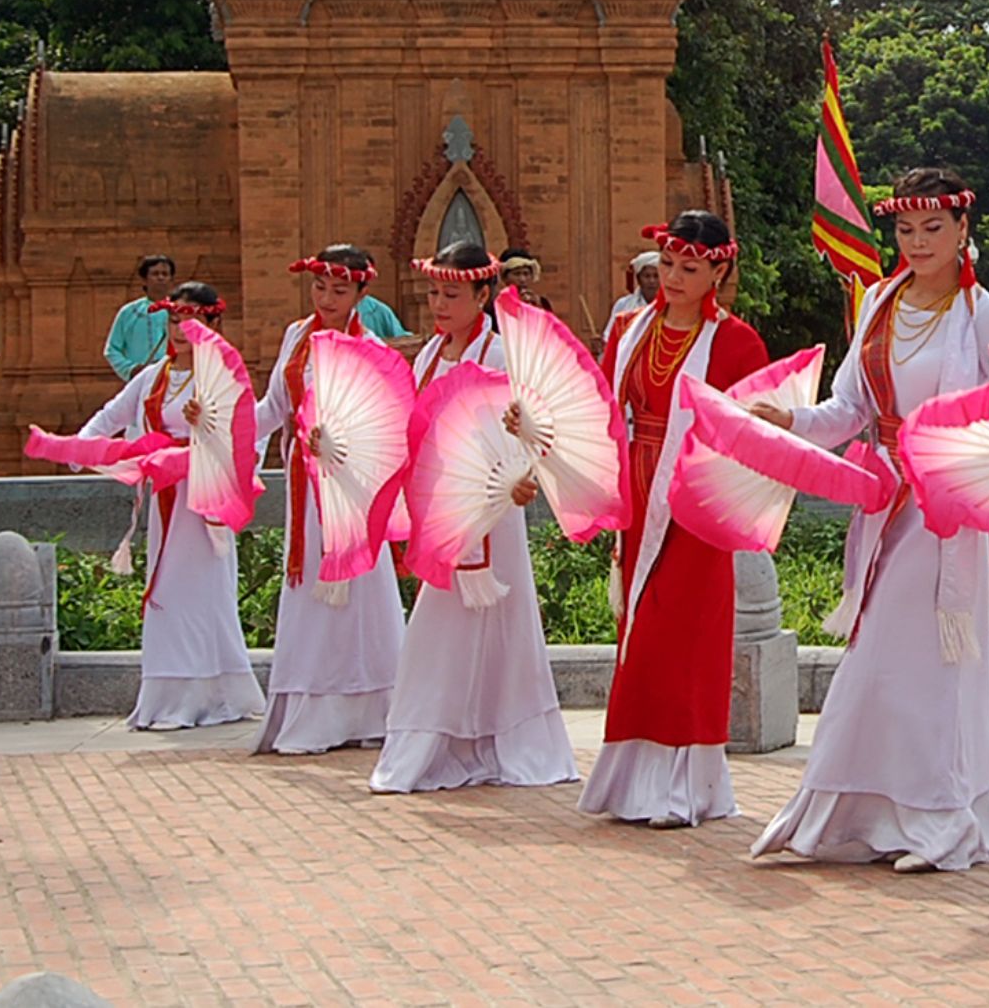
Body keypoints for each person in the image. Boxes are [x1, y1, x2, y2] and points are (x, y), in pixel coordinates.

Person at [747, 167, 989, 874]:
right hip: (886, 505)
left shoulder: (986, 317)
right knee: (884, 660)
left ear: (964, 230)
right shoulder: (879, 303)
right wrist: (788, 420)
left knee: (925, 663)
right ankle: (867, 816)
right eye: (905, 230)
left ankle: (940, 819)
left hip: (948, 511)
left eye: (933, 229)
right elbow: (848, 410)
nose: (917, 243)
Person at [576, 212, 769, 828]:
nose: (676, 277)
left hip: (696, 501)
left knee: (687, 635)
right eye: (668, 266)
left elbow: (750, 433)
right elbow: (605, 411)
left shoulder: (738, 342)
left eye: (691, 267)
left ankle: (688, 786)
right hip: (638, 490)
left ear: (719, 269)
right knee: (639, 635)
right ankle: (633, 779)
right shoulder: (630, 330)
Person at [369, 242, 578, 793]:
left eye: (452, 294)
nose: (439, 304)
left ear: (483, 295)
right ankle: (434, 744)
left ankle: (503, 740)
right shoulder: (429, 356)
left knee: (504, 625)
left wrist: (527, 467)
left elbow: (542, 425)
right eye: (434, 292)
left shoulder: (502, 355)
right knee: (436, 627)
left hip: (494, 510)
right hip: (444, 509)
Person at [78, 282, 266, 730]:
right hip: (165, 498)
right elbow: (112, 415)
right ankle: (168, 697)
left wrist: (209, 433)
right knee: (166, 593)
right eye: (175, 320)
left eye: (193, 320)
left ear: (214, 324)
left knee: (201, 595)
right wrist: (80, 449)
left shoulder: (223, 375)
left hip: (203, 501)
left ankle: (205, 697)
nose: (182, 330)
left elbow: (251, 435)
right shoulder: (152, 376)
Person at [250, 245, 406, 755]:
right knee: (309, 591)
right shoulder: (297, 336)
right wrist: (223, 433)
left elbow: (388, 424)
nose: (327, 298)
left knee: (363, 594)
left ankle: (371, 711)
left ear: (362, 292)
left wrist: (341, 442)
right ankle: (311, 710)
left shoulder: (371, 348)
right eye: (320, 288)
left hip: (352, 485)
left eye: (340, 290)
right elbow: (275, 406)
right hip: (304, 479)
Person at [105, 256, 174, 380]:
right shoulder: (129, 312)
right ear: (144, 280)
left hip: (174, 378)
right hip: (141, 380)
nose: (161, 277)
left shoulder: (180, 311)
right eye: (155, 274)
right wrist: (131, 369)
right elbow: (112, 350)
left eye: (165, 274)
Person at [598, 251, 660, 353]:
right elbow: (609, 337)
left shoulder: (671, 306)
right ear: (639, 279)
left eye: (656, 276)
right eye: (647, 276)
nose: (652, 281)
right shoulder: (623, 305)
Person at [499, 248, 555, 314]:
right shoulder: (496, 304)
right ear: (505, 277)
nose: (522, 279)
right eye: (516, 274)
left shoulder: (541, 303)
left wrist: (538, 307)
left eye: (526, 274)